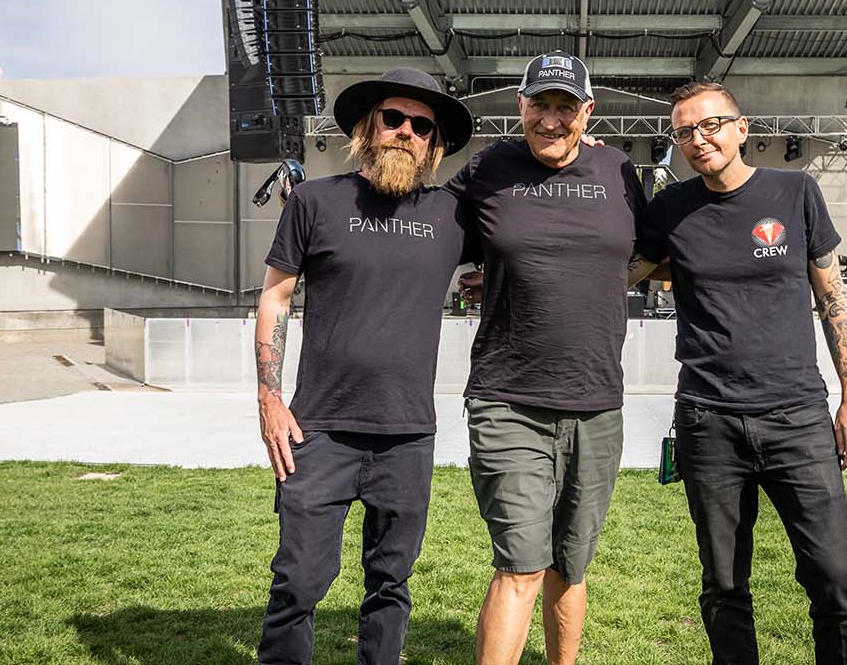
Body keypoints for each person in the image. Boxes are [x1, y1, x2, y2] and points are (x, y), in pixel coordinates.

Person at [633, 80, 847, 665]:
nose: (698, 138)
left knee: (835, 579)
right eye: (684, 131)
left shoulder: (797, 192)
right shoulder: (670, 210)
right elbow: (616, 272)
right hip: (708, 423)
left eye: (710, 124)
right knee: (723, 586)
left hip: (798, 419)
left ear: (741, 129)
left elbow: (833, 297)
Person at [253, 67, 475, 665]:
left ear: (433, 145)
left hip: (406, 436)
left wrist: (578, 158)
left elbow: (528, 231)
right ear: (365, 128)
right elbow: (275, 295)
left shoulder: (453, 217)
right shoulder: (314, 201)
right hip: (318, 430)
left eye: (422, 126)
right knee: (298, 582)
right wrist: (269, 397)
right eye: (394, 118)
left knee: (390, 586)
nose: (406, 131)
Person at [444, 51, 650, 665]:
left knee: (572, 563)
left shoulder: (618, 171)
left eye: (566, 107)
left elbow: (653, 254)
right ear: (521, 107)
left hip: (596, 404)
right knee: (521, 565)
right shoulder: (488, 169)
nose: (552, 120)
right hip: (509, 399)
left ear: (588, 111)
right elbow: (427, 232)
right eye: (541, 104)